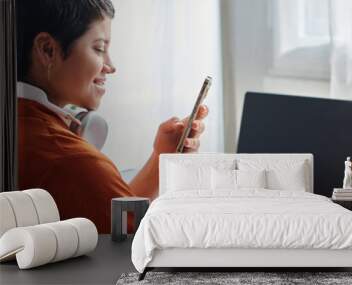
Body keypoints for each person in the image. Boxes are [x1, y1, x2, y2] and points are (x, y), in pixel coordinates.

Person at [16, 0, 208, 233]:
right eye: (99, 48)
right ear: (48, 50)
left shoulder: (20, 126)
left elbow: (116, 216)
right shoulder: (71, 161)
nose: (111, 66)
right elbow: (143, 242)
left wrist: (161, 159)